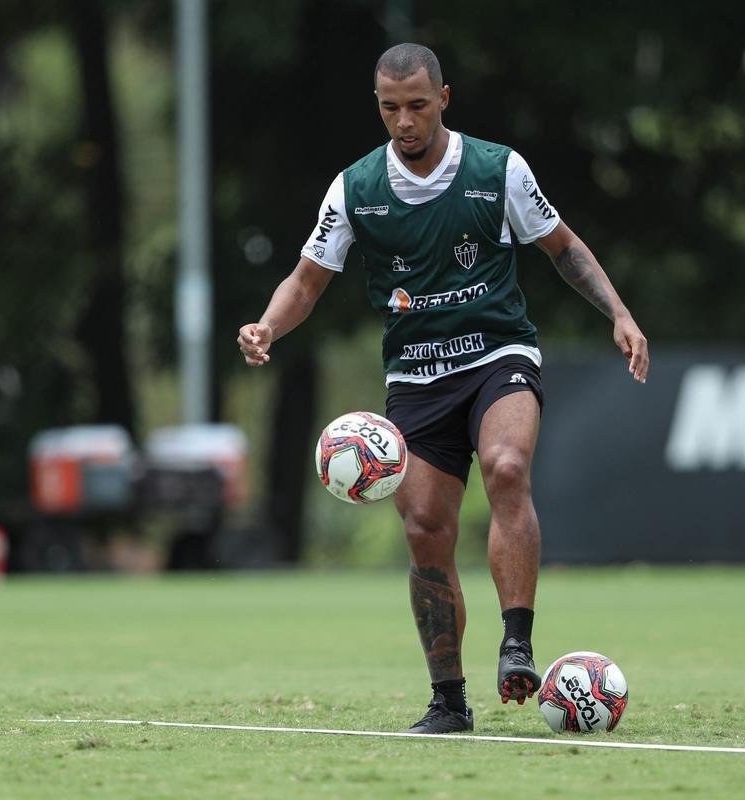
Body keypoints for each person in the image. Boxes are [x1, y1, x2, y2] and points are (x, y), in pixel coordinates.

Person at [238, 43, 649, 734]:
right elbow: (307, 279)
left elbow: (564, 249)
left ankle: (516, 643)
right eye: (389, 107)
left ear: (444, 99)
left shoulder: (498, 170)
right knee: (427, 531)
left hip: (497, 353)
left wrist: (619, 312)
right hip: (416, 375)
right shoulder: (355, 189)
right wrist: (268, 327)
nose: (404, 121)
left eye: (417, 106)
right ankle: (448, 701)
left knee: (507, 466)